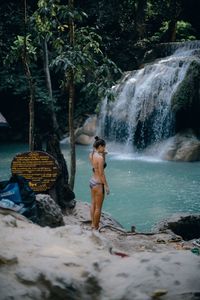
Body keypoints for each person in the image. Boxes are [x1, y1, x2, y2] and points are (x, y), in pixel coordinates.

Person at [89, 136, 110, 230]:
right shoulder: (100, 158)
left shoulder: (91, 154)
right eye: (104, 147)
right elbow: (101, 173)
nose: (104, 149)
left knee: (93, 204)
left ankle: (92, 224)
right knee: (98, 208)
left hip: (92, 181)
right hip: (98, 184)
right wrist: (106, 186)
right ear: (100, 146)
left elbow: (95, 168)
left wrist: (103, 155)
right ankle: (95, 227)